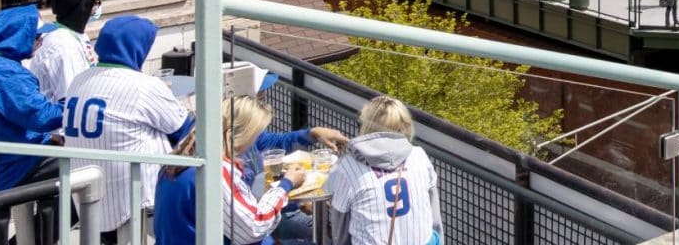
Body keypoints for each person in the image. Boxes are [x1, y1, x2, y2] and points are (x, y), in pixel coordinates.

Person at [61, 16, 195, 239]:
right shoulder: (143, 86)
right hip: (133, 201)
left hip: (88, 196)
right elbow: (186, 130)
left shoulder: (79, 80)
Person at [153, 96, 304, 245]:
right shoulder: (215, 170)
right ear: (244, 134)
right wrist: (286, 184)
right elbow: (255, 226)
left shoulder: (179, 158)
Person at [327, 96, 441, 245]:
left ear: (365, 126)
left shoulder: (348, 168)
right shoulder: (419, 155)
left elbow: (339, 235)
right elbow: (436, 222)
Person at [0, 3, 64, 194]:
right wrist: (73, 107)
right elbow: (40, 116)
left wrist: (48, 137)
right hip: (13, 164)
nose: (41, 40)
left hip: (7, 155)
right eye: (37, 35)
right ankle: (55, 224)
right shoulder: (7, 73)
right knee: (83, 165)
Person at [28, 0, 99, 104]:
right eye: (96, 2)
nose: (98, 6)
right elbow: (71, 99)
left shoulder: (73, 33)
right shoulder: (64, 46)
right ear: (83, 7)